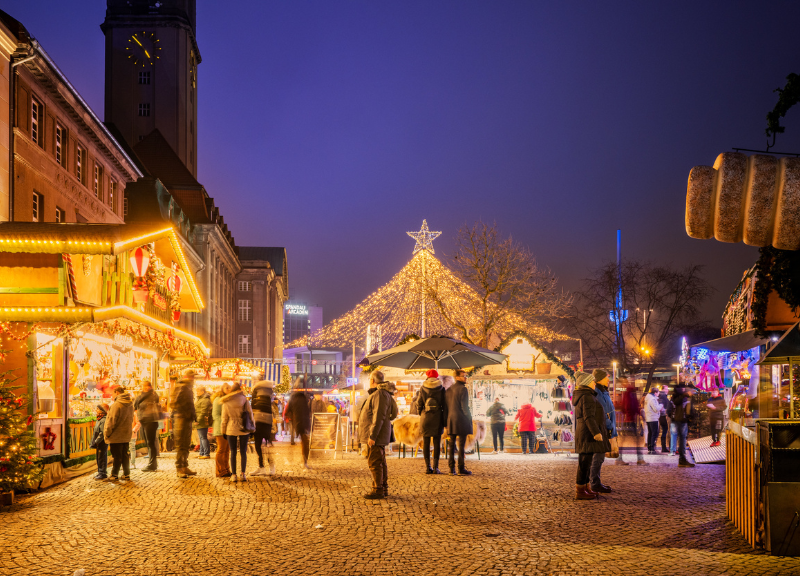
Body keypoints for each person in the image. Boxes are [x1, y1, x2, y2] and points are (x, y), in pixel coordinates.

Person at [358, 370, 398, 499]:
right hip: (378, 434)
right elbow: (388, 414)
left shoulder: (379, 394)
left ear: (372, 381)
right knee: (380, 461)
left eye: (369, 378)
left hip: (376, 435)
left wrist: (373, 436)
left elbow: (378, 417)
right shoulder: (382, 393)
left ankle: (378, 489)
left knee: (375, 462)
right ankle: (382, 487)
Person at [572, 371, 611, 500]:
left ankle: (586, 487)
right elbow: (588, 417)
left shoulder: (586, 395)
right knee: (584, 464)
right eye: (592, 381)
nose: (594, 383)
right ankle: (580, 490)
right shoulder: (587, 396)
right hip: (587, 434)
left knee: (586, 463)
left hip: (586, 433)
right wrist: (596, 432)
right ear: (587, 383)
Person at [221, 382, 256, 482]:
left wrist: (223, 430)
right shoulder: (245, 400)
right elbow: (251, 415)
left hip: (230, 428)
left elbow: (224, 419)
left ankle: (234, 475)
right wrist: (253, 427)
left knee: (233, 452)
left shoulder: (226, 402)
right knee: (243, 451)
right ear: (240, 390)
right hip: (244, 428)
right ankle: (243, 474)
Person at [416, 369, 447, 474]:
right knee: (437, 443)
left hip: (426, 418)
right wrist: (444, 419)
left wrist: (422, 413)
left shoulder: (423, 388)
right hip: (437, 418)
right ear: (437, 377)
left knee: (426, 443)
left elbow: (419, 403)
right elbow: (445, 405)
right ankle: (435, 467)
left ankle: (427, 467)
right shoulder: (441, 388)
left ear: (428, 377)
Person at [590, 369, 615, 493]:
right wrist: (610, 424)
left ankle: (595, 481)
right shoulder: (598, 393)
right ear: (600, 379)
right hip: (602, 427)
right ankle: (594, 483)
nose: (608, 380)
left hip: (604, 426)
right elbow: (602, 412)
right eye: (607, 377)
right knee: (598, 456)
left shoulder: (603, 391)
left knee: (599, 456)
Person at [169, 372, 197, 478]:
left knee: (186, 444)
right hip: (181, 418)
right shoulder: (182, 387)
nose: (193, 378)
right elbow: (176, 403)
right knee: (181, 445)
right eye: (192, 376)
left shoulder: (188, 387)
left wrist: (193, 416)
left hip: (187, 418)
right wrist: (182, 413)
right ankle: (179, 468)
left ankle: (184, 466)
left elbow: (191, 404)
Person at [104, 386, 135, 481]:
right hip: (126, 434)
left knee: (117, 456)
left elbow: (111, 421)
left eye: (113, 394)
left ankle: (114, 475)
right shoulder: (130, 404)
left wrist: (107, 433)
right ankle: (126, 474)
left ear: (117, 392)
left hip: (116, 435)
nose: (112, 396)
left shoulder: (116, 405)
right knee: (125, 454)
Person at [446, 370, 473, 476]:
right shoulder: (463, 389)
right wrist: (469, 418)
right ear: (457, 377)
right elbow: (464, 407)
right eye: (463, 376)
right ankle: (461, 468)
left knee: (451, 446)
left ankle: (451, 469)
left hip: (451, 420)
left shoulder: (448, 390)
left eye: (466, 376)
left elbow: (446, 407)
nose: (465, 377)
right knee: (461, 446)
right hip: (461, 420)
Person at [285, 377, 312, 469]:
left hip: (298, 421)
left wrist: (290, 418)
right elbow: (308, 411)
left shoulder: (293, 397)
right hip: (303, 421)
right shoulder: (305, 397)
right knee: (305, 441)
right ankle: (304, 461)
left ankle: (303, 461)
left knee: (304, 440)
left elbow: (288, 410)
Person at [134, 381, 161, 471]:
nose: (144, 388)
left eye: (146, 386)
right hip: (144, 421)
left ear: (150, 387)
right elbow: (135, 405)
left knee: (150, 443)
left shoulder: (152, 395)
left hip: (151, 421)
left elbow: (138, 404)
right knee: (148, 443)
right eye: (143, 386)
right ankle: (152, 463)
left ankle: (152, 464)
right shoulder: (141, 396)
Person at [251, 379, 276, 476]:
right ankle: (264, 467)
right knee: (261, 446)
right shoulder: (266, 398)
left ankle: (267, 466)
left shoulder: (263, 398)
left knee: (263, 446)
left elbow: (255, 409)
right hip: (261, 424)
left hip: (262, 424)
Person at [669, 384, 696, 467]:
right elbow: (676, 404)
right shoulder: (678, 397)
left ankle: (681, 458)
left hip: (681, 420)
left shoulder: (683, 397)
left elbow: (689, 409)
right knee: (682, 440)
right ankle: (681, 459)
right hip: (680, 420)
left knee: (682, 439)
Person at [621, 386, 647, 465]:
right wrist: (639, 413)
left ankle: (619, 458)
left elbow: (624, 407)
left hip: (627, 420)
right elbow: (632, 406)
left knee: (623, 440)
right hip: (630, 420)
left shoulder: (626, 394)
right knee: (637, 440)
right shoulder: (631, 394)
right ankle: (640, 459)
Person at [212, 383, 232, 478]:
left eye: (229, 388)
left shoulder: (228, 399)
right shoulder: (218, 400)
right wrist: (225, 421)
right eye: (226, 388)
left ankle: (226, 469)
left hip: (228, 428)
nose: (228, 389)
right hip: (220, 428)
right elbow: (215, 415)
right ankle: (220, 470)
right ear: (222, 389)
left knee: (227, 450)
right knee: (221, 449)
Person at [89, 403, 109, 480]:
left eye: (97, 409)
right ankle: (100, 472)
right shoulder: (100, 418)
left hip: (102, 442)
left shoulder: (103, 420)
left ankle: (102, 473)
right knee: (99, 457)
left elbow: (102, 432)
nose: (96, 410)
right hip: (99, 441)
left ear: (102, 410)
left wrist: (97, 441)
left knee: (102, 457)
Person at [193, 386, 213, 460]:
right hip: (199, 420)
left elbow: (203, 411)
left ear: (202, 392)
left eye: (198, 391)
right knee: (201, 438)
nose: (197, 393)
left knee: (203, 437)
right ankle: (201, 452)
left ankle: (206, 453)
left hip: (202, 421)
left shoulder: (205, 400)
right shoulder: (200, 399)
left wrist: (198, 420)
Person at [644, 387, 662, 454]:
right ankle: (652, 449)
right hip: (653, 418)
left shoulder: (647, 398)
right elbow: (656, 409)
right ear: (655, 392)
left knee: (650, 433)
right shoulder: (652, 399)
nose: (659, 393)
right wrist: (661, 405)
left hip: (649, 417)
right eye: (658, 392)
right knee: (654, 433)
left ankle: (649, 448)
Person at [658, 385, 671, 453]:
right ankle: (664, 447)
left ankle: (664, 447)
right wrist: (666, 412)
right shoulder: (663, 396)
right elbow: (663, 405)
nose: (667, 390)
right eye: (666, 389)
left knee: (664, 430)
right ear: (662, 389)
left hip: (662, 415)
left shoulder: (661, 395)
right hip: (663, 415)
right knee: (665, 430)